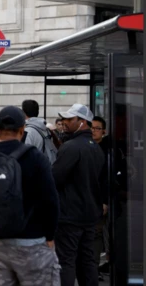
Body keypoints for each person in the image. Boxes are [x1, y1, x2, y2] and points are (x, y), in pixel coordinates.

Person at [0, 106, 60, 285]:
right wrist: (50, 236)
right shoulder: (35, 157)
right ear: (22, 130)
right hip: (32, 242)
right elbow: (51, 200)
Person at [53, 104, 107, 286]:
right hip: (90, 215)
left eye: (70, 119)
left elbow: (55, 178)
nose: (65, 122)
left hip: (70, 216)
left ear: (82, 122)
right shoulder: (96, 148)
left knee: (66, 262)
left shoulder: (71, 147)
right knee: (87, 261)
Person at [91, 115, 110, 281]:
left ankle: (94, 266)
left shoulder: (106, 150)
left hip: (101, 200)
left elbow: (105, 179)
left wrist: (105, 200)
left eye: (97, 128)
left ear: (103, 131)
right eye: (92, 128)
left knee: (98, 235)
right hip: (86, 199)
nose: (94, 131)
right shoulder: (87, 147)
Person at [21, 99, 58, 164]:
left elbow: (25, 156)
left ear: (23, 113)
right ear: (37, 112)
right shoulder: (45, 129)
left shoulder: (27, 131)